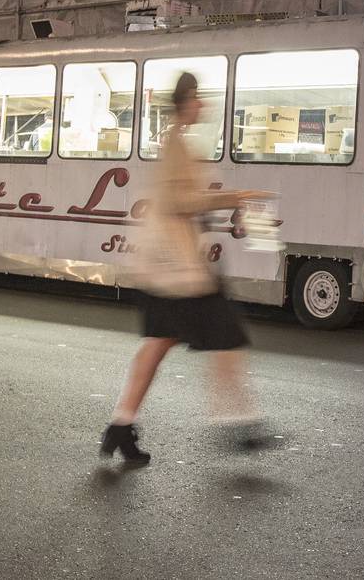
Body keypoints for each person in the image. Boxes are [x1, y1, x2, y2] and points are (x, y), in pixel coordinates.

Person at [100, 72, 272, 465]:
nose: (203, 105)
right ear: (184, 103)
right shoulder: (176, 144)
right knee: (226, 335)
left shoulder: (176, 141)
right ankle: (238, 421)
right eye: (197, 98)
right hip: (179, 272)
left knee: (159, 343)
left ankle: (121, 425)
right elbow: (179, 201)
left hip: (167, 268)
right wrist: (234, 197)